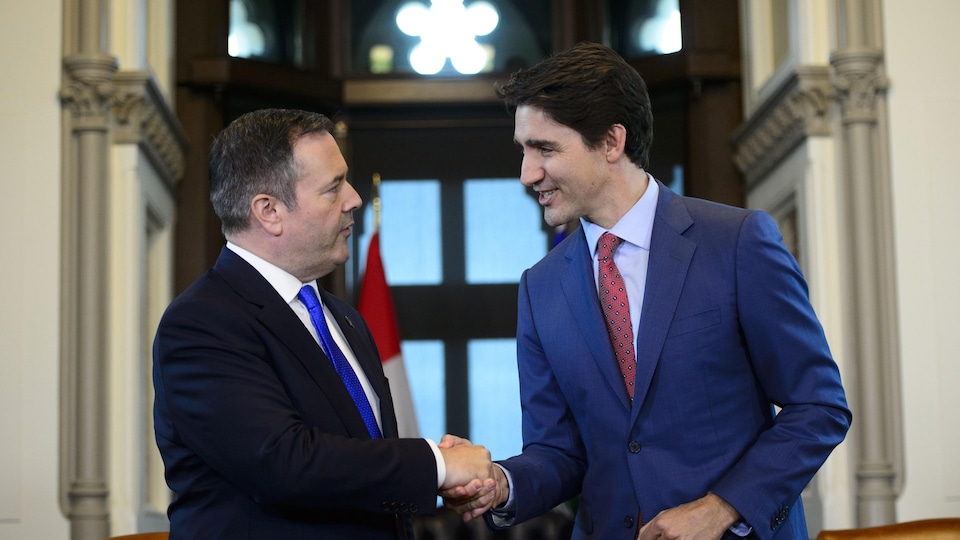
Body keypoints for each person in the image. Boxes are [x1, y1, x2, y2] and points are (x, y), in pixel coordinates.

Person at [442, 42, 852, 540]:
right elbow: (559, 452)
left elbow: (819, 406)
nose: (527, 174)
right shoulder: (539, 288)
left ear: (612, 142)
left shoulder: (738, 242)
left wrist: (721, 508)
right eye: (524, 151)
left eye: (545, 149)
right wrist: (502, 484)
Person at [153, 108, 496, 539]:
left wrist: (440, 477)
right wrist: (438, 465)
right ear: (269, 211)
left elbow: (363, 463)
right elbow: (282, 463)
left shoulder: (346, 318)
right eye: (333, 188)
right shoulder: (202, 322)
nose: (353, 198)